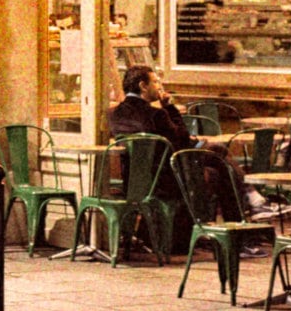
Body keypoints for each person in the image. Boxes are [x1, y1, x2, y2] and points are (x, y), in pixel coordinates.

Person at [109, 64, 279, 227]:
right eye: (155, 82)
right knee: (219, 161)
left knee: (217, 161)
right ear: (143, 86)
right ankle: (242, 217)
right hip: (167, 178)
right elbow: (182, 141)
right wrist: (169, 107)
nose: (159, 86)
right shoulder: (157, 114)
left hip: (134, 179)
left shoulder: (115, 113)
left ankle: (247, 207)